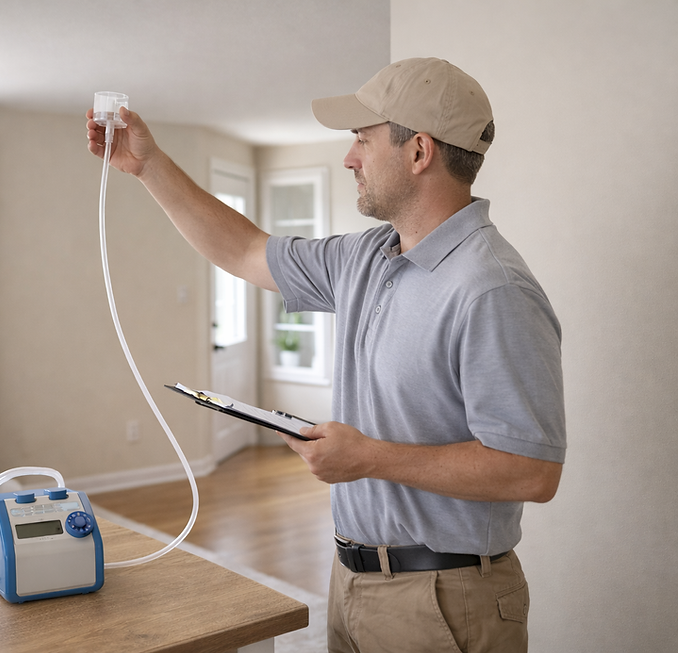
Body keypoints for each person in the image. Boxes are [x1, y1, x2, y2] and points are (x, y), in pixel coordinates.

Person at [87, 57, 566, 653]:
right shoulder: (365, 257)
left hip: (445, 599)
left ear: (419, 152)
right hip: (351, 580)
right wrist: (149, 166)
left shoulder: (493, 290)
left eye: (362, 140)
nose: (349, 158)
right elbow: (244, 252)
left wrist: (370, 459)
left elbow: (531, 470)